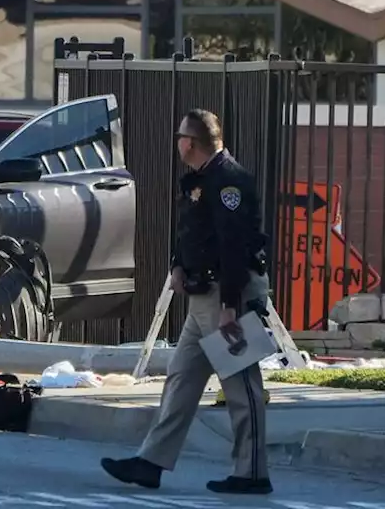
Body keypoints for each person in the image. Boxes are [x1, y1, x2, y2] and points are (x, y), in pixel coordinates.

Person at [101, 109, 272, 495]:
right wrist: (179, 265)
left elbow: (233, 247)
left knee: (242, 387)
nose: (176, 141)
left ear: (190, 143)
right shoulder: (202, 180)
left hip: (227, 297)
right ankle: (151, 461)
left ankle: (253, 473)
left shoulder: (230, 181)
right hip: (202, 300)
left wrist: (230, 305)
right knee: (181, 379)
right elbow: (196, 233)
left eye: (180, 136)